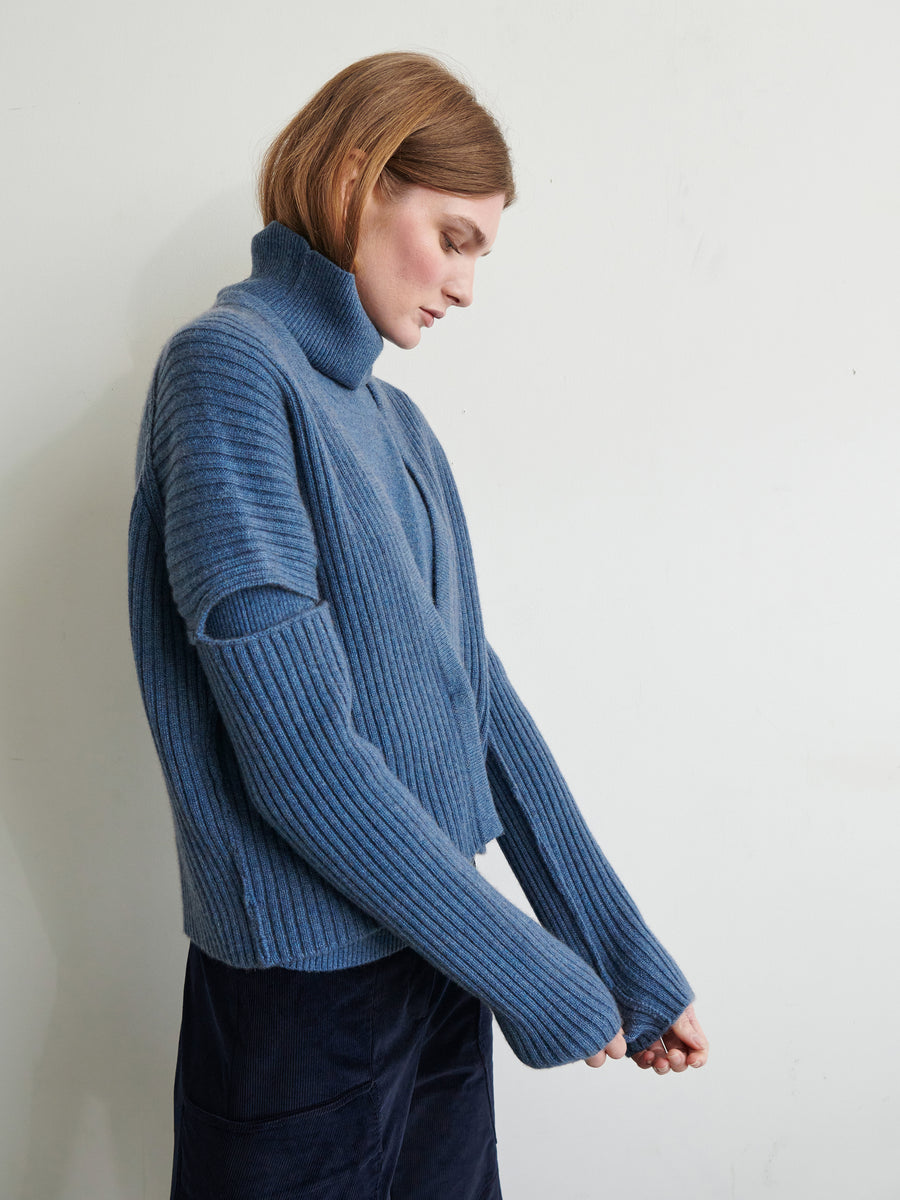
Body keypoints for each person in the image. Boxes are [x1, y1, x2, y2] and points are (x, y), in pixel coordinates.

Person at [127, 49, 708, 1200]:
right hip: (305, 999)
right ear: (355, 181)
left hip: (436, 960)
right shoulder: (230, 373)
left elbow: (474, 700)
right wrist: (530, 970)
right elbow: (298, 759)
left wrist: (618, 954)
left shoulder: (397, 425)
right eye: (454, 238)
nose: (465, 288)